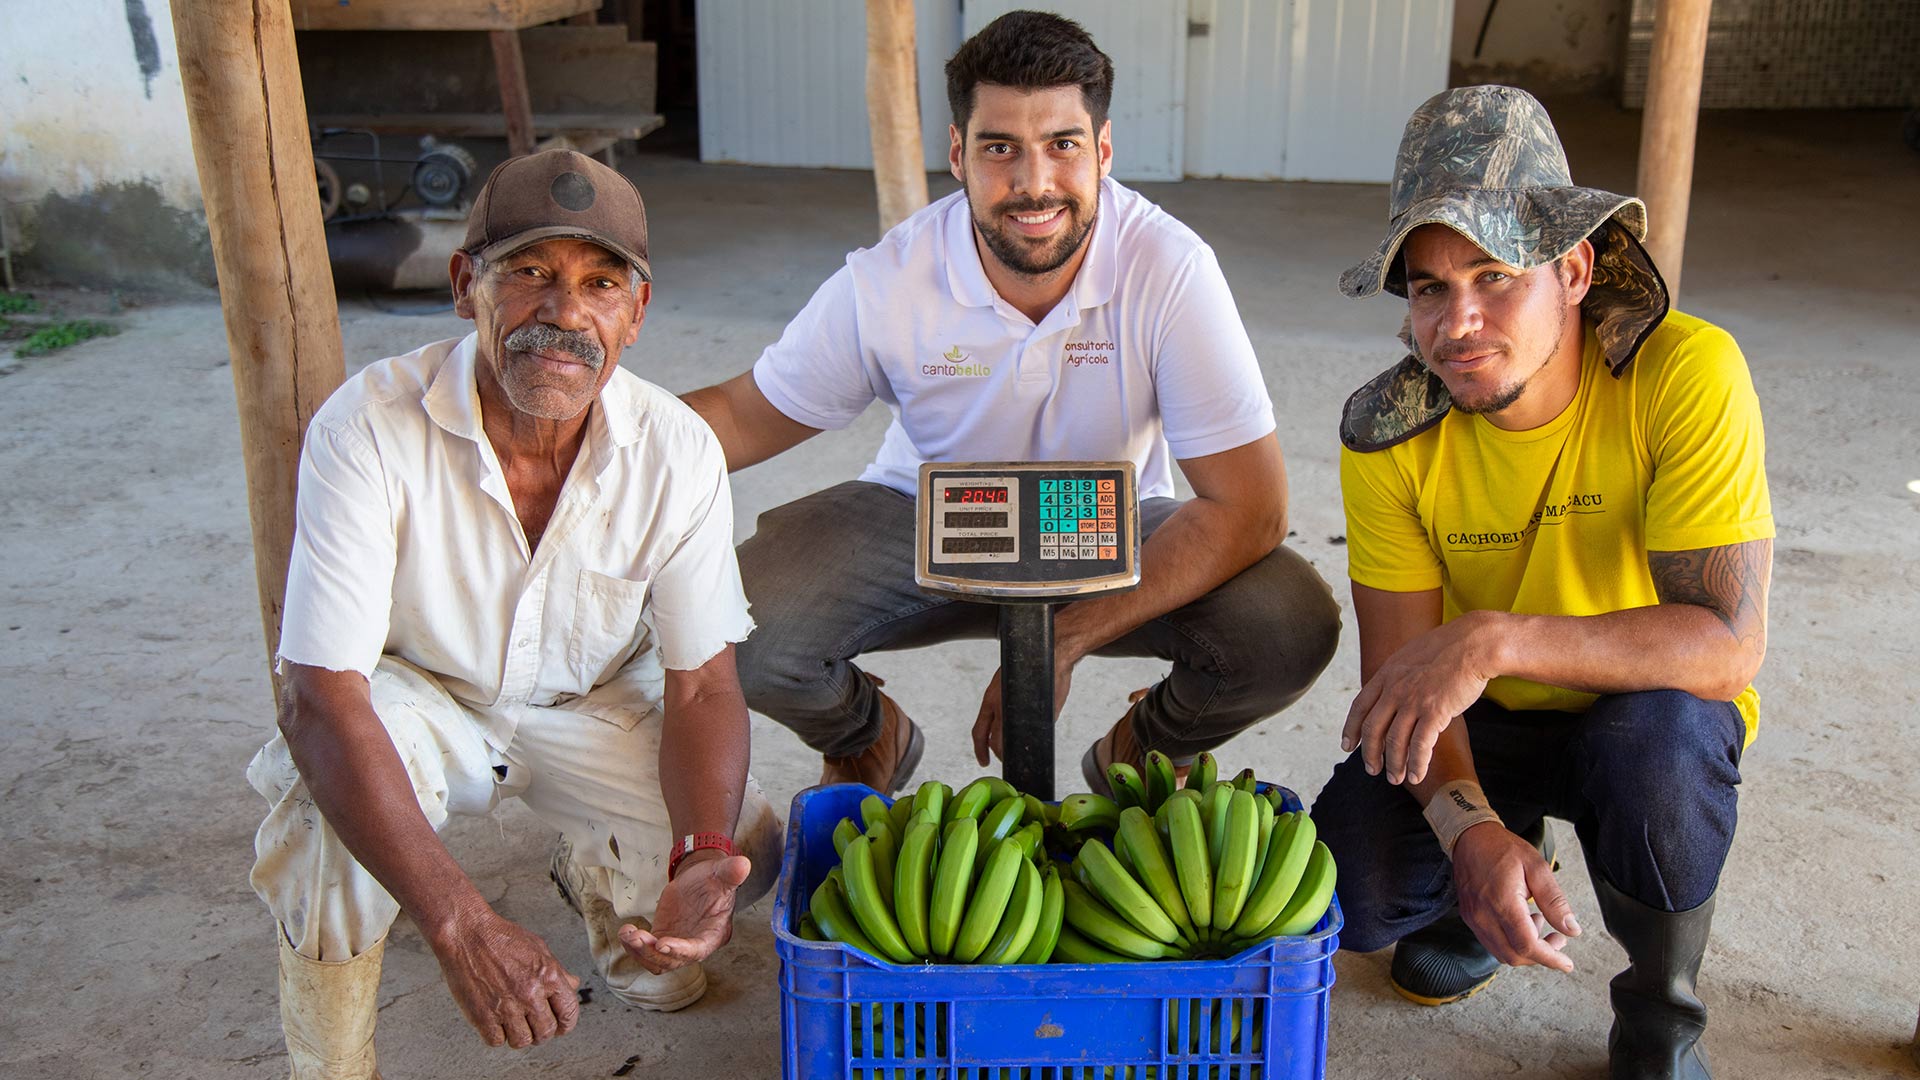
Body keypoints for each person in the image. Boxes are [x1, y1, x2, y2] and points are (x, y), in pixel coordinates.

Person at [682, 11, 1340, 795]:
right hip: (931, 513)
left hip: (1106, 520)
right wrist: (583, 433)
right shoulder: (890, 279)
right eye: (1000, 148)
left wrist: (1058, 644)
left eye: (1062, 145)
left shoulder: (1170, 269)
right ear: (958, 154)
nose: (1034, 183)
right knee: (738, 623)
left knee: (1288, 623)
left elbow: (1252, 508)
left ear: (1101, 151)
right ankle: (865, 735)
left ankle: (1150, 745)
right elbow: (738, 415)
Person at [245, 149, 783, 1077]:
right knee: (320, 816)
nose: (564, 314)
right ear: (466, 286)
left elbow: (700, 688)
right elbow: (319, 698)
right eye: (529, 273)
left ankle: (595, 877)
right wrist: (460, 924)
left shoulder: (677, 450)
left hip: (592, 698)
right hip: (420, 702)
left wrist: (697, 856)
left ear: (637, 314)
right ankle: (329, 1063)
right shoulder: (366, 426)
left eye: (600, 283)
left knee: (747, 854)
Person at [1313, 86, 1772, 1079]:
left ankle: (1661, 1015)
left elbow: (1726, 642)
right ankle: (1500, 861)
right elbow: (1400, 682)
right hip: (1488, 723)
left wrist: (1495, 637)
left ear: (1572, 269)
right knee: (1350, 889)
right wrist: (1467, 829)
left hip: (1640, 706)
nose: (1459, 319)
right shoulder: (1387, 433)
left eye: (1492, 273)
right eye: (1431, 287)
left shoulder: (1683, 375)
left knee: (1659, 756)